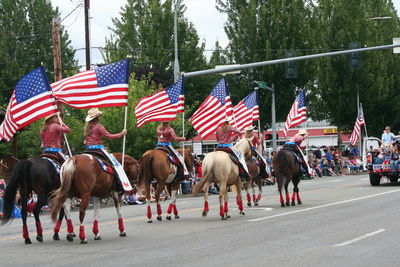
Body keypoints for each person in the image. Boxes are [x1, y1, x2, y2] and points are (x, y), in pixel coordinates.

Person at [84, 108, 130, 191]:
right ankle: (118, 185)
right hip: (98, 151)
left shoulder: (87, 127)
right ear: (98, 117)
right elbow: (109, 136)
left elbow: (86, 141)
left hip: (88, 150)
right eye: (100, 115)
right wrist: (122, 134)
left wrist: (100, 145)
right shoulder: (99, 126)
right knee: (115, 165)